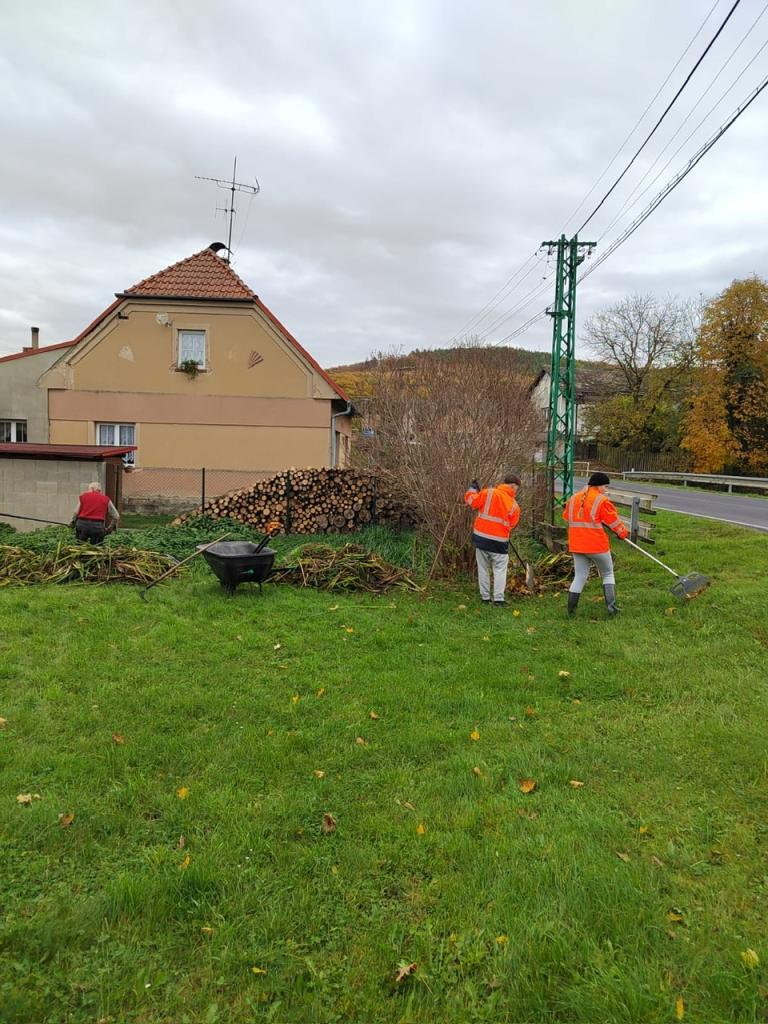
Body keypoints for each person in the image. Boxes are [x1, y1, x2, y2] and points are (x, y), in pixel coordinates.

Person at [562, 472, 628, 616]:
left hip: (577, 544)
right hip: (596, 545)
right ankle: (612, 609)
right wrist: (622, 533)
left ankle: (571, 612)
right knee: (608, 573)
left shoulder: (573, 498)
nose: (606, 490)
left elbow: (566, 517)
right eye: (605, 486)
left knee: (579, 576)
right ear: (598, 486)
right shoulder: (601, 500)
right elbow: (613, 521)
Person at [464, 473, 521, 606]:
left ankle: (485, 598)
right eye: (516, 489)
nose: (516, 492)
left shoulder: (487, 492)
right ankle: (498, 599)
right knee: (500, 570)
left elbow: (471, 501)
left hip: (481, 538)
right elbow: (512, 524)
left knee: (483, 568)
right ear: (513, 486)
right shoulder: (514, 505)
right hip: (499, 542)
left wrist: (472, 489)